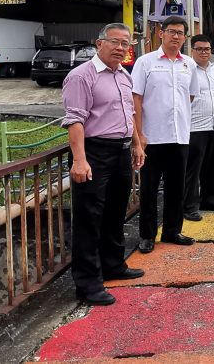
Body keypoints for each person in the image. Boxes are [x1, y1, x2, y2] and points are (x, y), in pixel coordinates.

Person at [62, 22, 146, 306]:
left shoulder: (123, 75)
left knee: (114, 212)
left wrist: (135, 143)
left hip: (121, 150)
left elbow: (129, 114)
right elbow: (74, 119)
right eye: (115, 42)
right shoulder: (81, 76)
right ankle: (87, 283)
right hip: (94, 152)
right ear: (99, 43)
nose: (121, 48)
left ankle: (114, 265)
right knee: (89, 218)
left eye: (126, 44)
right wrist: (80, 159)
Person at [132, 16, 199, 253]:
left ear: (184, 37)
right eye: (171, 32)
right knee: (149, 188)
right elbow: (136, 99)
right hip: (151, 137)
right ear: (161, 33)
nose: (176, 37)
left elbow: (190, 96)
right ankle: (147, 235)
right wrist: (139, 134)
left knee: (176, 187)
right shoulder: (146, 62)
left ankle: (172, 231)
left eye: (181, 33)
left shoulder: (188, 65)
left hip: (179, 136)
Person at [184, 34, 214, 220]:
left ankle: (210, 200)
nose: (204, 52)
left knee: (213, 166)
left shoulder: (213, 70)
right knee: (193, 170)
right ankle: (189, 206)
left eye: (207, 49)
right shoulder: (187, 69)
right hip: (194, 127)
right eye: (200, 49)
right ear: (192, 50)